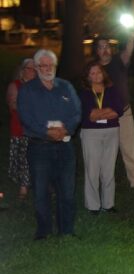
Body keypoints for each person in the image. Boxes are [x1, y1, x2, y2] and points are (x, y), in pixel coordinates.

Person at [17, 49, 82, 240]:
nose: (47, 69)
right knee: (40, 191)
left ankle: (66, 230)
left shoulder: (66, 87)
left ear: (55, 66)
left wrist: (66, 129)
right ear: (36, 68)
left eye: (50, 65)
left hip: (65, 146)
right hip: (39, 147)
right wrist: (46, 132)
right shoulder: (27, 91)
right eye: (43, 65)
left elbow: (77, 112)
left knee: (67, 191)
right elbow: (25, 118)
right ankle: (43, 231)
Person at [93, 35, 134, 194]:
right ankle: (103, 184)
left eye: (107, 46)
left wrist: (131, 36)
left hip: (124, 114)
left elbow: (128, 51)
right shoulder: (94, 68)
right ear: (97, 51)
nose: (104, 50)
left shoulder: (119, 61)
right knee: (104, 152)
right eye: (101, 47)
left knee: (130, 149)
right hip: (105, 116)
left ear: (111, 49)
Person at [79, 60, 124, 214]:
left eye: (98, 72)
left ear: (103, 73)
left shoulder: (112, 90)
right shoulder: (84, 93)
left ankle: (108, 204)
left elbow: (118, 111)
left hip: (112, 132)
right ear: (88, 77)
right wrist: (107, 111)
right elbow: (90, 115)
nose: (96, 75)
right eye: (92, 73)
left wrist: (101, 113)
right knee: (92, 169)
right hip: (91, 133)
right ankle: (93, 205)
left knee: (109, 169)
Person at [6, 58, 35, 200]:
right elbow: (13, 105)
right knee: (23, 158)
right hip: (20, 129)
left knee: (37, 158)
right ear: (22, 71)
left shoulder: (39, 86)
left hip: (36, 131)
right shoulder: (15, 85)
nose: (33, 71)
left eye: (35, 69)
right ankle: (23, 188)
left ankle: (41, 184)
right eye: (30, 68)